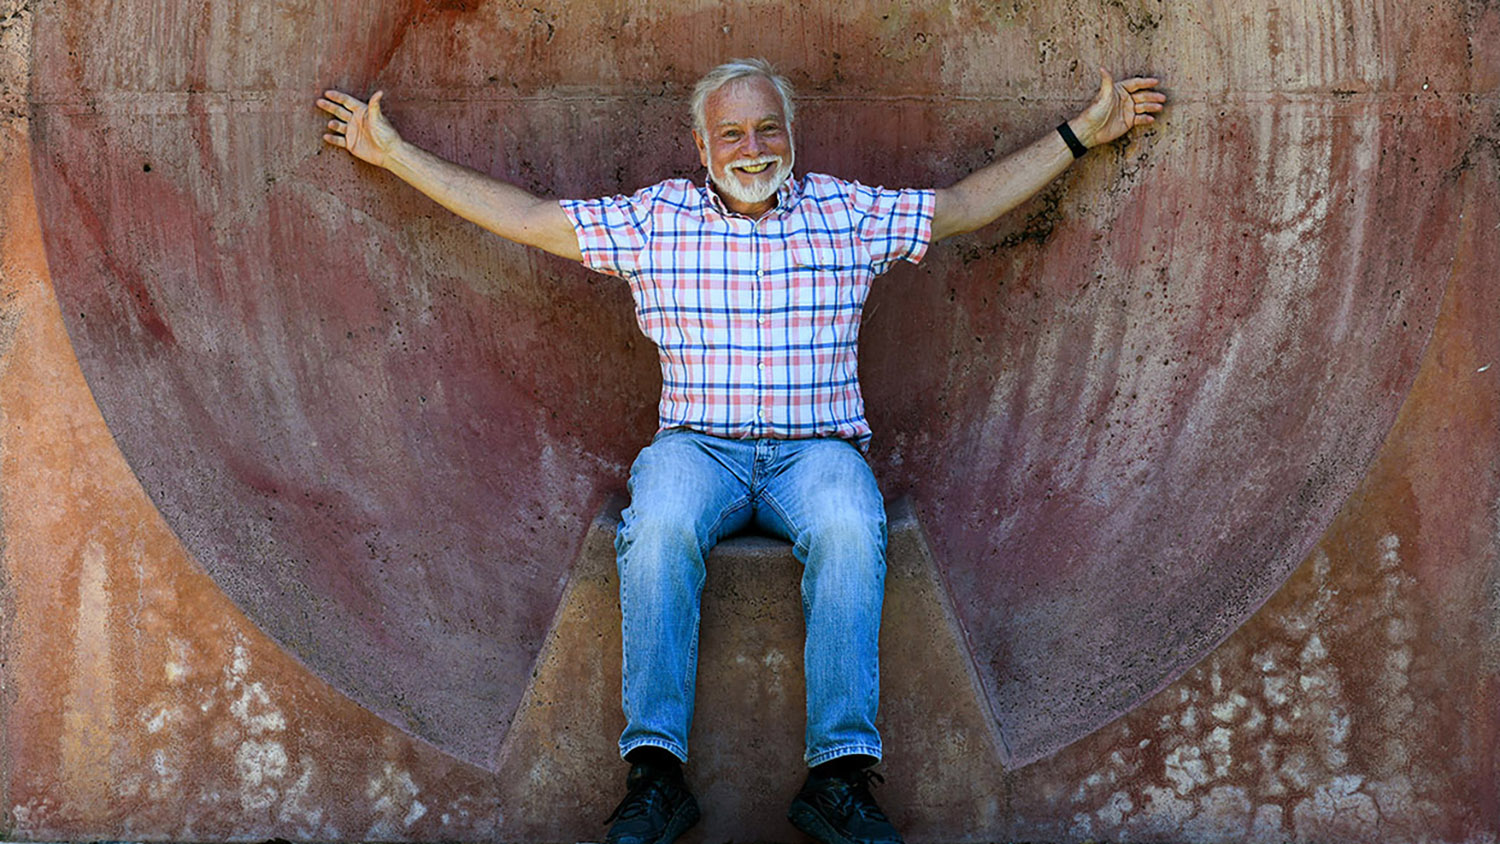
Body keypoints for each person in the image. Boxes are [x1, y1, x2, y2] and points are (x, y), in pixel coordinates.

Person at [318, 57, 1163, 844]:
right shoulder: (657, 222)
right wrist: (392, 155)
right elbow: (532, 220)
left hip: (815, 449)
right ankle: (655, 776)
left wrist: (1080, 134)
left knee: (847, 522)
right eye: (732, 133)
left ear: (790, 137)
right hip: (700, 448)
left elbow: (963, 207)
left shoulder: (847, 212)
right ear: (701, 145)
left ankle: (838, 777)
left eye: (768, 130)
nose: (751, 149)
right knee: (659, 525)